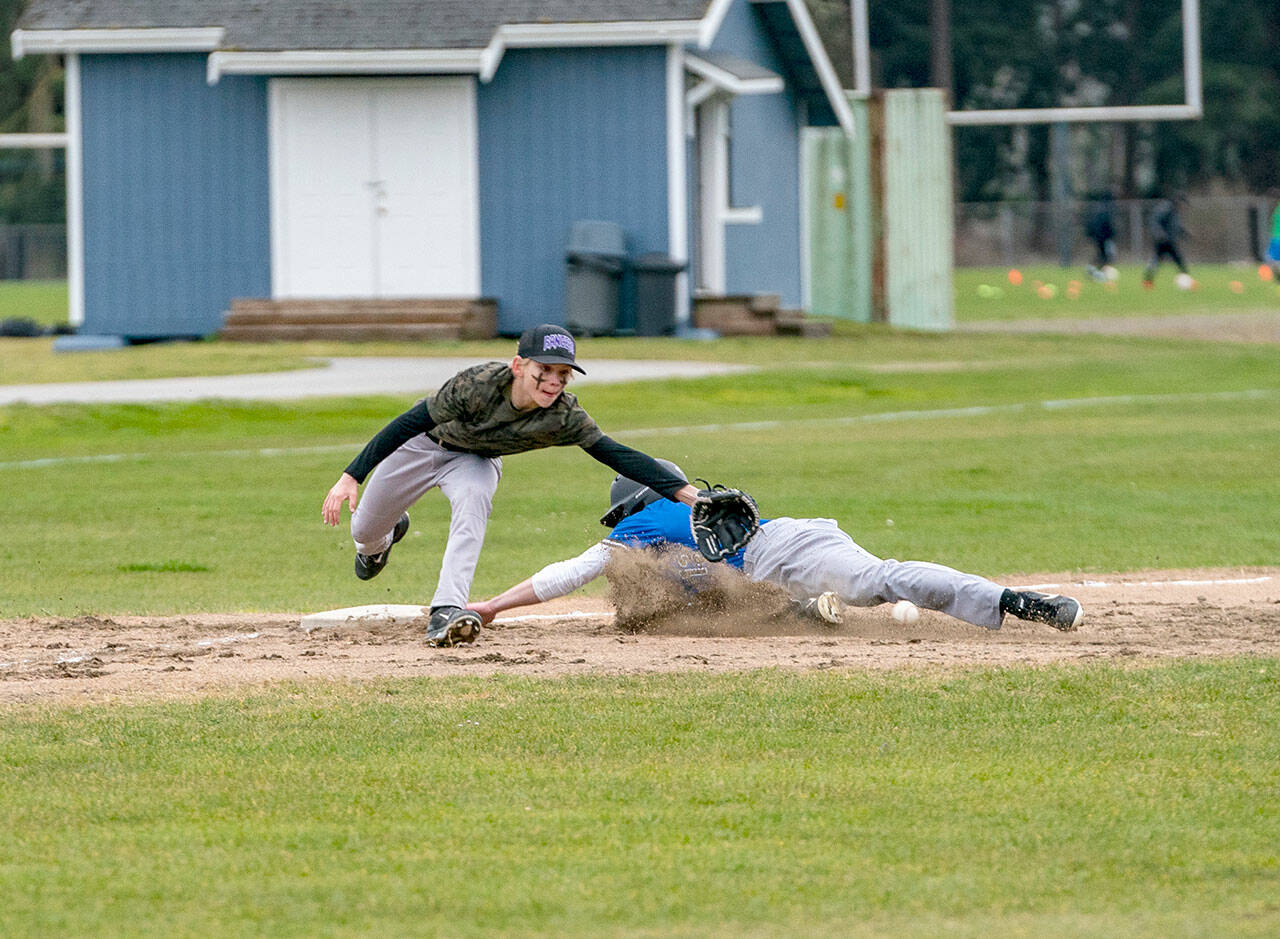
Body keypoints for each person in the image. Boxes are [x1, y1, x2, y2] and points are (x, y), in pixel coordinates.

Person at [321, 324, 706, 647]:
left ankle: (446, 610)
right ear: (519, 365)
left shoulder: (564, 415)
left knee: (473, 503)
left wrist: (687, 494)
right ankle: (383, 540)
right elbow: (408, 422)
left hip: (474, 462)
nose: (553, 381)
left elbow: (614, 453)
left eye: (563, 374)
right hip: (422, 446)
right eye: (545, 369)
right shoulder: (479, 384)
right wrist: (352, 475)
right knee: (365, 530)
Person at [467, 463, 1084, 634]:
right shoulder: (658, 540)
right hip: (783, 558)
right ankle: (805, 613)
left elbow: (567, 573)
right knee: (705, 601)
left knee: (879, 581)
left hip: (788, 551)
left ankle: (1016, 601)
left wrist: (492, 605)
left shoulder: (643, 525)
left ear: (630, 505)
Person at [1142, 194, 1191, 288]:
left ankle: (1186, 279)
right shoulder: (1165, 208)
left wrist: (1185, 233)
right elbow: (1154, 221)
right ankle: (1147, 281)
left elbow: (1176, 226)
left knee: (1177, 260)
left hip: (1170, 240)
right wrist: (1160, 234)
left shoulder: (1174, 210)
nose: (1184, 207)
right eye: (1184, 205)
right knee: (1158, 260)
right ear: (1180, 202)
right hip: (1162, 241)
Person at [1084, 192, 1117, 282]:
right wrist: (1111, 235)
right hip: (1103, 238)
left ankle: (1093, 270)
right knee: (1106, 256)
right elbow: (1107, 226)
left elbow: (1090, 224)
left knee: (1102, 255)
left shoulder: (1097, 209)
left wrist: (1090, 235)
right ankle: (1098, 273)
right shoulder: (1105, 210)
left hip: (1097, 237)